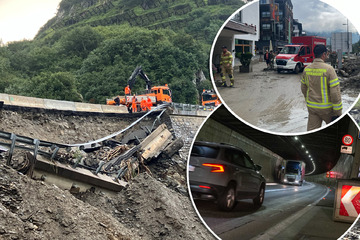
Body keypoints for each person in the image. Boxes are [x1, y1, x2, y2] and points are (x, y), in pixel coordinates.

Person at [300, 44, 342, 131]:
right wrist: (338, 112)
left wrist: (309, 101)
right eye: (326, 54)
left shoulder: (306, 69)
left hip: (312, 109)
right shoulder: (329, 69)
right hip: (327, 110)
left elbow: (303, 89)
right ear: (323, 54)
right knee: (333, 133)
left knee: (311, 133)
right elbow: (335, 93)